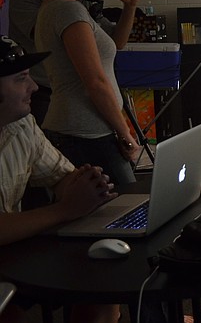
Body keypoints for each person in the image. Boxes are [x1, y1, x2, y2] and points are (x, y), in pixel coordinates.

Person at [0, 36, 120, 323]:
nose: (34, 87)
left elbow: (61, 175)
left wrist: (87, 185)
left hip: (14, 253)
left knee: (102, 294)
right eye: (21, 79)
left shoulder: (22, 125)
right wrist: (65, 209)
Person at [19, 0, 142, 186]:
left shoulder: (59, 9)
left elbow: (116, 43)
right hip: (87, 134)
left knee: (101, 214)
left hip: (81, 130)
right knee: (127, 209)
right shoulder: (67, 11)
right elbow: (95, 81)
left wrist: (130, 7)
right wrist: (126, 135)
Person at [9, 0, 138, 125]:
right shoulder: (24, 0)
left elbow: (117, 42)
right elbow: (50, 36)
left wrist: (130, 6)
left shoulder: (79, 5)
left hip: (80, 95)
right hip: (43, 92)